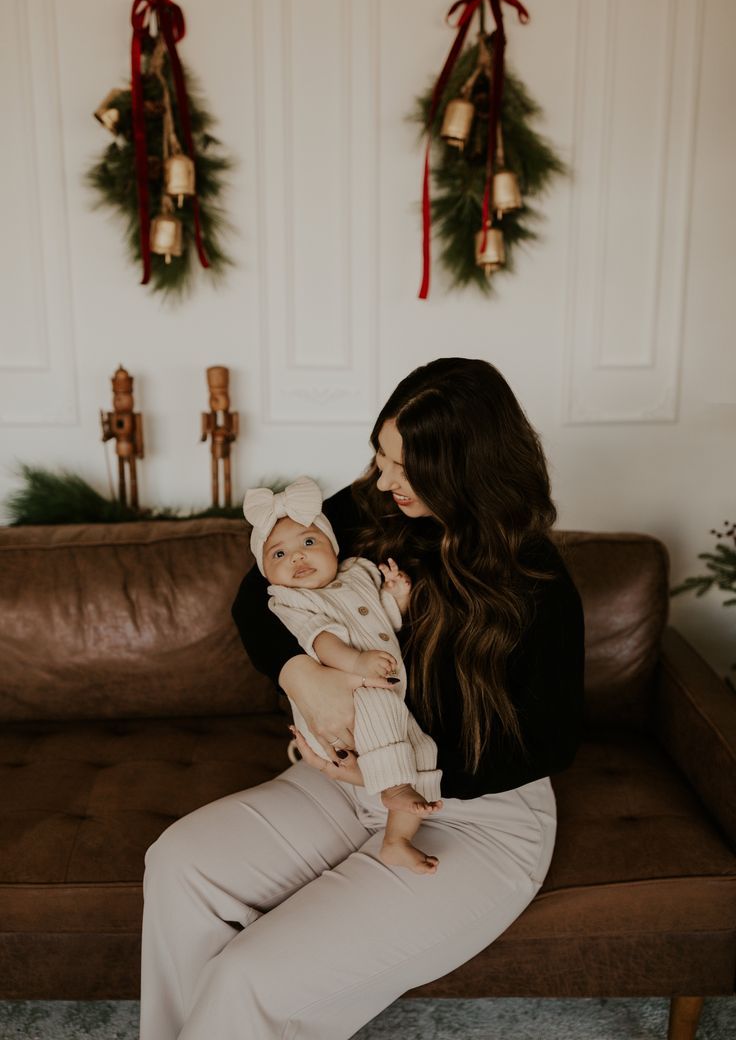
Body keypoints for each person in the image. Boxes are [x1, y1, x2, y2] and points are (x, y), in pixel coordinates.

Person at [139, 357, 585, 1040]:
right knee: (180, 864)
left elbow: (547, 743)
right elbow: (259, 593)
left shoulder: (537, 584)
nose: (383, 479)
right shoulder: (375, 510)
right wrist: (301, 676)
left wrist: (403, 773)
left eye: (403, 467)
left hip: (477, 813)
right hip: (351, 781)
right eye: (381, 456)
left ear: (464, 468)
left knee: (249, 978)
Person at [242, 475, 444, 874]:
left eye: (309, 543)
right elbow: (319, 642)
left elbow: (386, 624)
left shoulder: (359, 573)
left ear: (334, 548)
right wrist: (355, 664)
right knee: (383, 711)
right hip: (339, 695)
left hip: (379, 687)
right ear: (266, 573)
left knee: (422, 749)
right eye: (278, 555)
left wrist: (397, 598)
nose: (296, 558)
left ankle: (397, 839)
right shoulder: (289, 600)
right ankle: (392, 787)